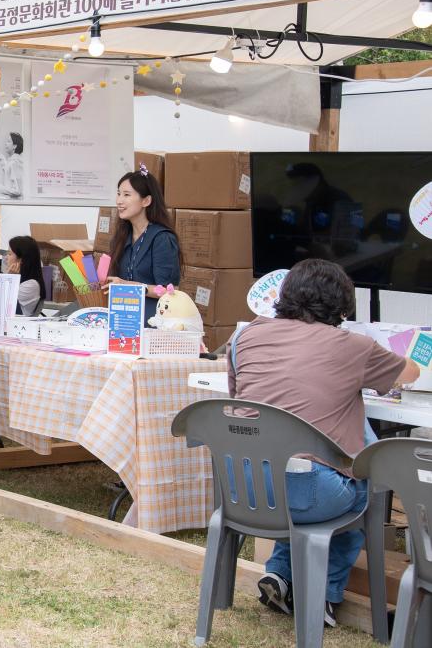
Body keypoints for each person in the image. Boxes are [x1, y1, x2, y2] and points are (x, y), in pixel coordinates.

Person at [228, 259, 419, 627]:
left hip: (241, 485)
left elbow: (240, 402)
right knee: (361, 483)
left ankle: (281, 575)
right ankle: (325, 596)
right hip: (307, 491)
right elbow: (409, 373)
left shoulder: (244, 336)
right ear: (343, 307)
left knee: (301, 467)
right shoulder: (354, 346)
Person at [101, 168, 182, 319]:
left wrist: (128, 286)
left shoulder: (162, 238)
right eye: (118, 193)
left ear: (146, 201)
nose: (119, 200)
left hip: (153, 324)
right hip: (124, 321)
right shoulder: (122, 237)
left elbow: (169, 291)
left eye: (126, 195)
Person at [4, 235, 46, 316]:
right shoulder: (21, 280)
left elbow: (2, 299)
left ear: (21, 259)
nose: (6, 258)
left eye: (9, 254)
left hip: (17, 326)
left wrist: (11, 278)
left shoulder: (31, 284)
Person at [0, 132, 24, 199]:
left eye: (9, 141)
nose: (6, 143)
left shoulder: (15, 163)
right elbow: (6, 167)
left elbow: (18, 191)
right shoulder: (13, 161)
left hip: (15, 205)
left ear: (14, 146)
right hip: (12, 204)